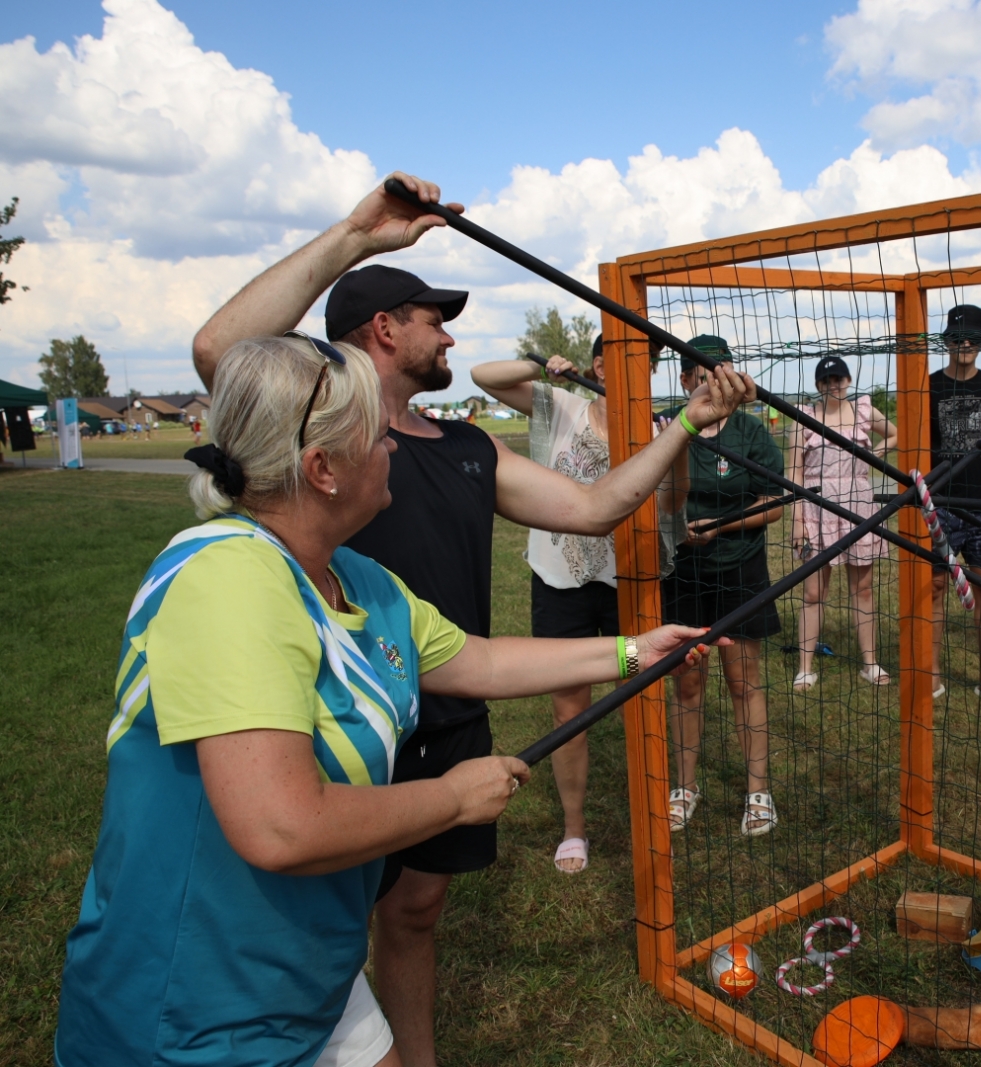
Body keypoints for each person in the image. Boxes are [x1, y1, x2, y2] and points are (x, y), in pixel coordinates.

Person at [190, 172, 756, 1067]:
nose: (449, 332)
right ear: (383, 328)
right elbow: (223, 350)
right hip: (340, 716)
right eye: (433, 317)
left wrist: (687, 419)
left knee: (414, 910)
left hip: (447, 696)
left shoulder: (463, 445)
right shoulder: (312, 431)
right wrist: (357, 235)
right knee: (314, 919)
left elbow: (598, 505)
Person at [54, 335, 717, 1067]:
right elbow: (282, 825)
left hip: (312, 973)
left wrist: (636, 651)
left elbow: (482, 658)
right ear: (321, 469)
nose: (395, 449)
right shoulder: (225, 580)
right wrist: (452, 797)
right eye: (377, 437)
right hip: (193, 1009)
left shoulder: (358, 579)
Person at [470, 337, 688, 874]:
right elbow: (484, 376)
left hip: (632, 579)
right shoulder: (562, 404)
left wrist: (680, 451)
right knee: (569, 705)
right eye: (634, 361)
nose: (646, 371)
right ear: (600, 366)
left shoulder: (662, 428)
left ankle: (651, 813)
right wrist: (543, 363)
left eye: (651, 363)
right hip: (561, 580)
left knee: (641, 695)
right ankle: (574, 829)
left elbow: (675, 503)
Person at [662, 336, 787, 838]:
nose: (711, 379)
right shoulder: (671, 423)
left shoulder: (752, 431)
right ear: (685, 378)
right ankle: (684, 787)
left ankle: (759, 793)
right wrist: (679, 528)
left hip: (741, 569)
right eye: (699, 372)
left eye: (720, 370)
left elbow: (774, 504)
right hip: (683, 573)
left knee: (744, 681)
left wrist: (722, 525)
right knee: (686, 680)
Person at [789, 354, 898, 691]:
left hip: (859, 508)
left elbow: (896, 434)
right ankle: (805, 668)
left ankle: (870, 663)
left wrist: (876, 452)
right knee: (813, 592)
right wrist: (797, 521)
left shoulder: (865, 410)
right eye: (826, 381)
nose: (833, 386)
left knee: (863, 589)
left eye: (838, 379)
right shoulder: (804, 418)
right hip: (816, 510)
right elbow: (792, 470)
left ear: (848, 381)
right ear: (818, 386)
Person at [928, 304, 981, 706]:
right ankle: (931, 672)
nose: (965, 344)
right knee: (935, 586)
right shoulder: (927, 386)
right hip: (940, 502)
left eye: (974, 338)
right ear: (945, 341)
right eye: (958, 337)